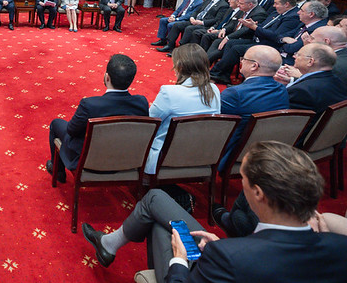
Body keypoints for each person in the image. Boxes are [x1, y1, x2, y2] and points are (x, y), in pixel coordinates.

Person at [81, 141, 347, 283]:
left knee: (163, 223)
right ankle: (109, 244)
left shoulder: (229, 256)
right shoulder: (340, 247)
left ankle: (109, 245)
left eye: (243, 178)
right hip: (233, 267)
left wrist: (180, 260)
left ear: (258, 193)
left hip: (206, 279)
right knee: (157, 202)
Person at [46, 54, 149, 183]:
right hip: (127, 160)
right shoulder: (141, 102)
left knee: (56, 123)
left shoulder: (90, 105)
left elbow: (72, 131)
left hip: (90, 162)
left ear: (107, 77)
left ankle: (58, 172)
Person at [144, 44, 221, 175]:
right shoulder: (214, 90)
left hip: (167, 157)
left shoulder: (169, 92)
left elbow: (149, 122)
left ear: (179, 67)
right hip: (202, 154)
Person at [217, 45, 289, 170]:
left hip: (233, 154)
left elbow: (217, 127)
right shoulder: (282, 89)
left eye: (243, 59)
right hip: (268, 152)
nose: (241, 62)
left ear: (254, 66)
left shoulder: (235, 94)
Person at [208, 0, 301, 84]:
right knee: (231, 43)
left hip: (269, 45)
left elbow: (276, 36)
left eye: (276, 3)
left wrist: (255, 27)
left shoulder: (292, 17)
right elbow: (263, 26)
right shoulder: (276, 13)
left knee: (236, 49)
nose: (274, 6)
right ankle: (224, 75)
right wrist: (254, 25)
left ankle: (214, 72)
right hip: (258, 39)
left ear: (286, 4)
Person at [275, 43, 347, 139]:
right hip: (328, 139)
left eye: (298, 54)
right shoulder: (338, 82)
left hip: (295, 142)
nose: (294, 56)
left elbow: (285, 125)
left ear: (310, 61)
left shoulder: (302, 91)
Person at [201, 0, 266, 64]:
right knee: (217, 41)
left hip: (245, 38)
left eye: (241, 3)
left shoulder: (259, 13)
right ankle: (204, 62)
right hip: (233, 35)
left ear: (250, 4)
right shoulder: (243, 10)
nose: (238, 5)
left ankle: (205, 64)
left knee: (225, 45)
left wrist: (228, 37)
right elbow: (233, 23)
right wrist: (224, 29)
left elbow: (245, 30)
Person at [163, 0, 228, 54]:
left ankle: (182, 51)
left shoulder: (223, 5)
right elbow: (197, 11)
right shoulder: (208, 0)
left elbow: (216, 20)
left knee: (189, 28)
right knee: (177, 25)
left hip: (205, 24)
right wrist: (192, 17)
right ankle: (170, 45)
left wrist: (201, 22)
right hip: (195, 21)